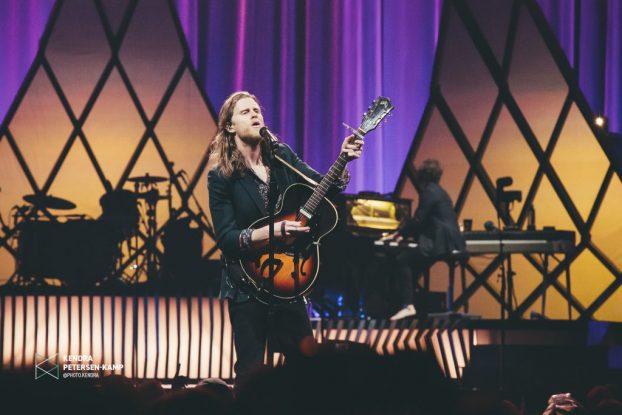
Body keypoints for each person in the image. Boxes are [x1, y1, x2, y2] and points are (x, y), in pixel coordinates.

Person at [207, 91, 363, 384]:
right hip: (246, 283)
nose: (255, 114)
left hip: (288, 279)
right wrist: (274, 231)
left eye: (257, 110)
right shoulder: (221, 177)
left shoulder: (282, 157)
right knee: (251, 372)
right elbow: (227, 238)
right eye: (245, 112)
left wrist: (343, 160)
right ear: (229, 126)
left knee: (306, 368)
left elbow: (322, 187)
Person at [381, 159, 465, 320]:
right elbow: (428, 221)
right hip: (451, 241)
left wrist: (397, 234)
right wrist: (403, 235)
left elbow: (419, 220)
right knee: (415, 264)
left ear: (422, 176)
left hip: (440, 243)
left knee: (402, 260)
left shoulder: (428, 192)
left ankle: (408, 305)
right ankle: (409, 303)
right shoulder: (440, 191)